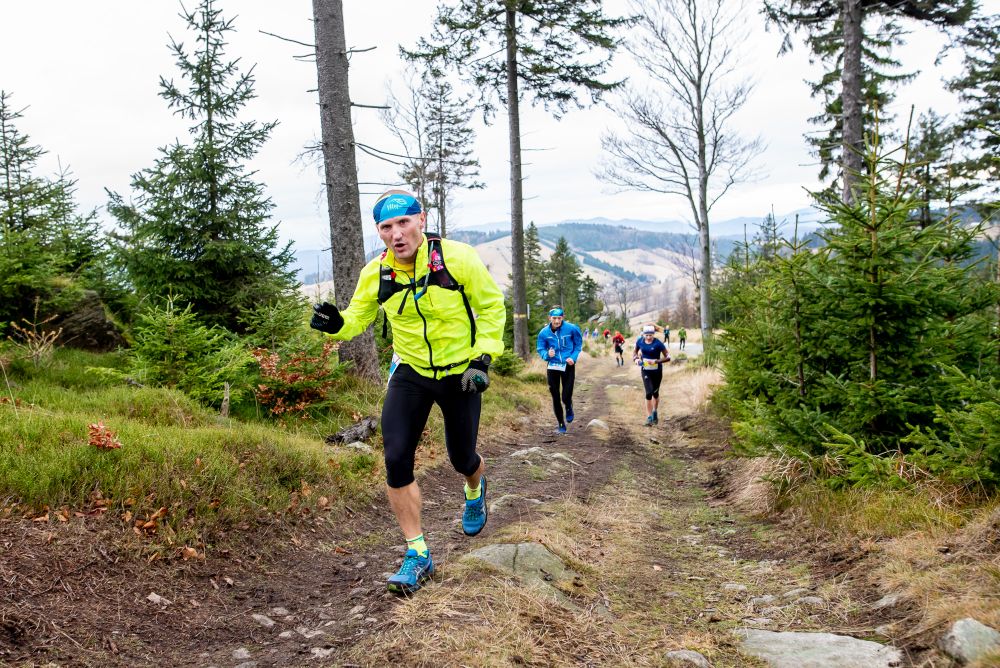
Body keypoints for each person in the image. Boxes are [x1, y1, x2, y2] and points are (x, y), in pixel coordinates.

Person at [309, 189, 505, 595]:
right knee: (396, 458)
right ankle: (418, 553)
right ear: (379, 232)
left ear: (421, 220)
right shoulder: (377, 273)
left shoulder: (457, 258)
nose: (396, 234)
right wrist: (335, 325)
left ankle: (475, 486)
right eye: (386, 227)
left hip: (461, 371)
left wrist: (482, 360)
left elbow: (491, 307)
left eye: (403, 223)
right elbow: (356, 318)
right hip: (411, 372)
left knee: (462, 457)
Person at [536, 307, 583, 433]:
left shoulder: (572, 328)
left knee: (566, 395)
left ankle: (568, 405)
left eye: (559, 318)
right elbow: (540, 348)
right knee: (555, 396)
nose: (557, 321)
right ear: (549, 318)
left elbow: (578, 345)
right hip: (552, 366)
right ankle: (561, 424)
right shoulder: (544, 333)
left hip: (568, 365)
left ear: (563, 318)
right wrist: (547, 354)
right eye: (554, 318)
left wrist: (573, 357)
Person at [633, 324, 669, 426]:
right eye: (647, 335)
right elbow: (635, 352)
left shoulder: (658, 343)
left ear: (653, 334)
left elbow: (668, 357)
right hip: (646, 371)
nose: (648, 337)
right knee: (648, 393)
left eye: (650, 335)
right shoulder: (640, 341)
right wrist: (636, 360)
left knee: (655, 393)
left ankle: (655, 411)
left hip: (657, 371)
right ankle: (649, 418)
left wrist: (656, 361)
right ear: (643, 334)